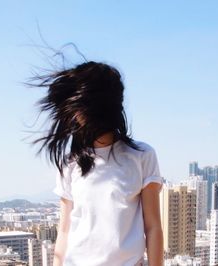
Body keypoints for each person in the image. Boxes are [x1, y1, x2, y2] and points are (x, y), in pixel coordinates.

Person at [33, 61, 164, 266]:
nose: (76, 115)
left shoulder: (142, 156)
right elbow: (65, 229)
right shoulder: (70, 163)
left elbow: (153, 227)